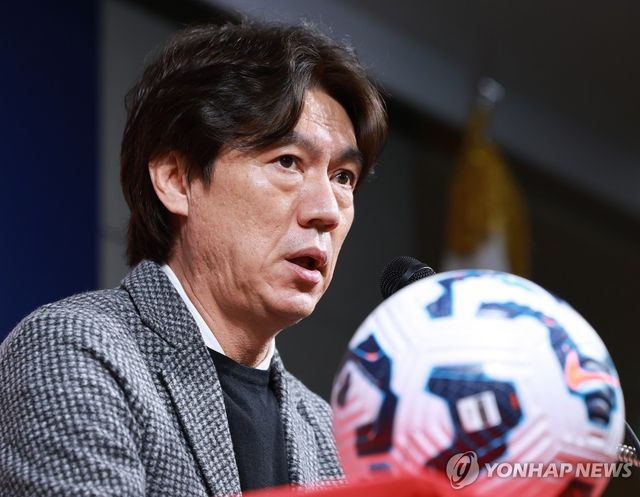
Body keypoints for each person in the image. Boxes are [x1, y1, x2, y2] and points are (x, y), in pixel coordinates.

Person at [0, 19, 387, 497]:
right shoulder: (74, 352)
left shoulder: (331, 437)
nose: (327, 210)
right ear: (176, 179)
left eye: (343, 177)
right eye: (288, 162)